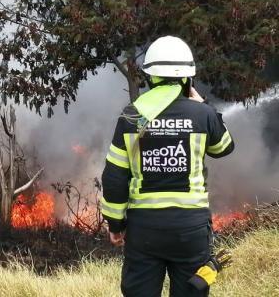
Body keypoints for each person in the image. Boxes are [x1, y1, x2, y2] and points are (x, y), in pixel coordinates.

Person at [100, 36, 235, 297]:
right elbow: (224, 147)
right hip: (190, 230)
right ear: (188, 79)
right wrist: (204, 105)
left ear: (150, 77)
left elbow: (114, 177)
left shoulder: (132, 115)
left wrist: (115, 224)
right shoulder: (202, 114)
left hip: (144, 230)